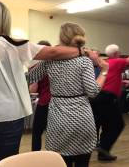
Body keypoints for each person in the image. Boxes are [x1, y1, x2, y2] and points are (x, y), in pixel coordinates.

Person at [0, 0, 93, 167]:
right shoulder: (13, 44)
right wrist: (82, 51)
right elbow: (53, 52)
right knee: (7, 163)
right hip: (9, 115)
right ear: (5, 19)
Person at [28, 22, 108, 167]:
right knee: (82, 162)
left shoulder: (50, 61)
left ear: (61, 38)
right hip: (82, 119)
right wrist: (104, 72)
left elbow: (29, 78)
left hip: (58, 119)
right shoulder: (84, 61)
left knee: (60, 162)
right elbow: (93, 91)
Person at [29, 40, 52, 151]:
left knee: (37, 132)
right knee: (55, 133)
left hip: (44, 103)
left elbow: (32, 90)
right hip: (59, 103)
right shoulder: (59, 65)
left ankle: (35, 156)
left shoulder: (37, 68)